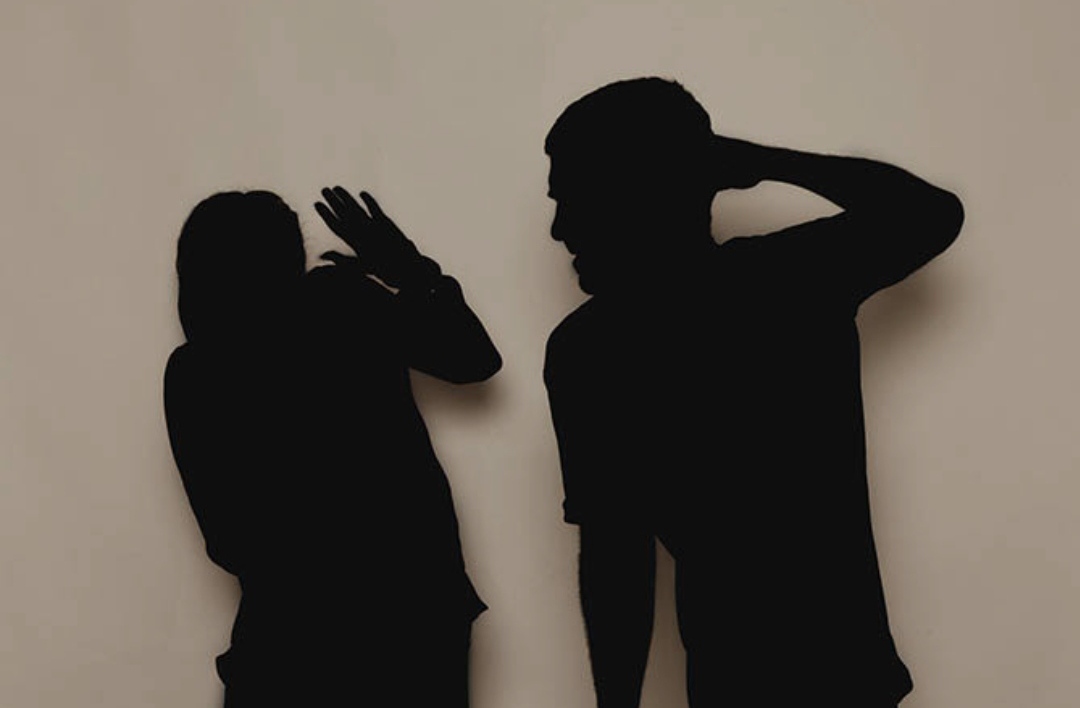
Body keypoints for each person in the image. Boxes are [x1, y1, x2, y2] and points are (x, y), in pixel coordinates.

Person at [541, 77, 964, 707]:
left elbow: (616, 558)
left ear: (635, 196)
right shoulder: (793, 278)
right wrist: (760, 162)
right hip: (837, 680)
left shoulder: (589, 349)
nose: (558, 229)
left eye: (575, 200)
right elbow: (615, 553)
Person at [164, 187, 500, 706]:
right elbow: (472, 358)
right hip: (411, 617)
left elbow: (228, 542)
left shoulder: (195, 372)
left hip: (295, 635)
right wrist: (409, 270)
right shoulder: (341, 303)